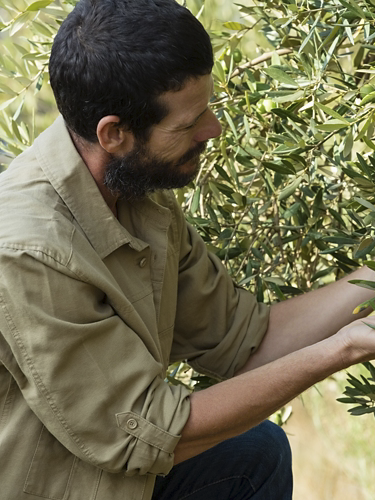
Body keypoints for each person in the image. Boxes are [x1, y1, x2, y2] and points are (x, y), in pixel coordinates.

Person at [0, 1, 375, 499]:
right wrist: (345, 347)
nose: (213, 129)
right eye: (190, 123)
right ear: (114, 133)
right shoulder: (29, 249)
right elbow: (147, 433)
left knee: (254, 453)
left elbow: (246, 342)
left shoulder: (137, 194)